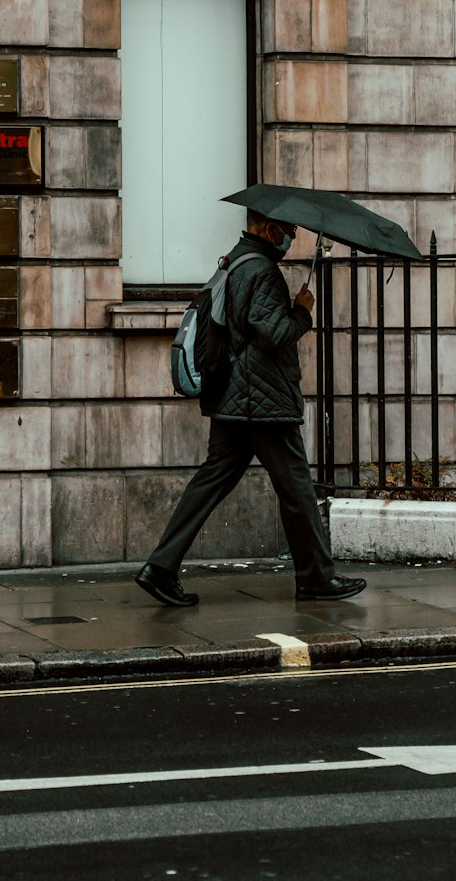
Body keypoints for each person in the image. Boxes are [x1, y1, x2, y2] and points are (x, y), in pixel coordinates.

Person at [135, 211, 366, 608]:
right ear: (268, 227)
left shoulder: (235, 260)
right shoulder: (262, 271)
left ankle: (160, 567)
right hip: (262, 401)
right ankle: (316, 578)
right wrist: (302, 310)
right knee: (298, 490)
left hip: (233, 397)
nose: (292, 237)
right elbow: (273, 334)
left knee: (210, 483)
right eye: (288, 230)